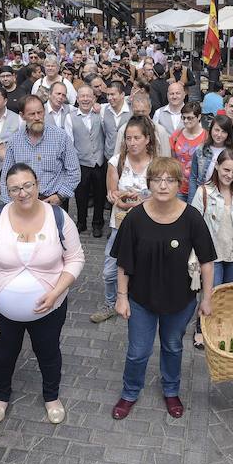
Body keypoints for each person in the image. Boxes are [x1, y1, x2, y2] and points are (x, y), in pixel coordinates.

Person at [0, 164, 85, 425]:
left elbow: (76, 258)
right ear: (6, 191)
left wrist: (57, 292)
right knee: (2, 354)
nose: (22, 193)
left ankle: (51, 397)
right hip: (1, 308)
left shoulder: (58, 217)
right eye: (14, 189)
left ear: (37, 184)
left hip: (50, 307)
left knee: (48, 352)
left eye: (27, 186)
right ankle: (0, 397)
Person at [110, 157, 215, 420]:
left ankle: (171, 390)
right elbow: (124, 262)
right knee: (138, 351)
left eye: (169, 180)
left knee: (173, 347)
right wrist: (121, 297)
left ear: (179, 184)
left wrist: (207, 298)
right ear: (149, 183)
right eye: (157, 179)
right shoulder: (136, 217)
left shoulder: (192, 217)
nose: (163, 185)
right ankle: (130, 392)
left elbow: (207, 261)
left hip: (180, 300)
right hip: (141, 298)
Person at [91, 116, 158, 324]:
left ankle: (140, 304)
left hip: (148, 228)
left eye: (137, 138)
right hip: (120, 225)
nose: (132, 142)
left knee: (145, 269)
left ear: (147, 139)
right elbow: (112, 193)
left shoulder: (156, 165)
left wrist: (138, 200)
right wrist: (119, 197)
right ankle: (111, 304)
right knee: (110, 271)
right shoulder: (117, 161)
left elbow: (160, 197)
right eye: (129, 138)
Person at [190, 148, 233, 349]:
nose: (229, 175)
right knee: (210, 292)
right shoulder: (204, 192)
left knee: (226, 294)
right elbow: (193, 225)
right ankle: (201, 328)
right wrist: (196, 256)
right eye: (226, 170)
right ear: (217, 166)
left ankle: (218, 327)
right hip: (212, 255)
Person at [0, 95, 80, 205]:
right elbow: (6, 176)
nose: (37, 117)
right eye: (32, 114)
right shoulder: (14, 141)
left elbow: (74, 171)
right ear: (22, 116)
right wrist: (9, 204)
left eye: (40, 112)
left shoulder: (61, 137)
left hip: (53, 200)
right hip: (23, 201)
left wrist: (61, 196)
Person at [71, 85, 106, 237]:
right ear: (77, 99)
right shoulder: (70, 117)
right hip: (81, 163)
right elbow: (70, 142)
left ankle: (97, 223)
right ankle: (81, 222)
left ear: (94, 98)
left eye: (88, 96)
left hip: (99, 161)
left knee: (100, 194)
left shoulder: (101, 113)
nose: (85, 99)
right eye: (82, 96)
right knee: (81, 195)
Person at [188, 114, 233, 205]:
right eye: (216, 130)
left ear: (229, 134)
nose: (219, 135)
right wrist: (191, 201)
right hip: (204, 194)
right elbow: (193, 177)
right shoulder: (200, 150)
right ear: (211, 130)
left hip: (226, 195)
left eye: (224, 131)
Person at [170, 101, 208, 203]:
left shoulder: (206, 137)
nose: (186, 121)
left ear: (199, 117)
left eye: (190, 118)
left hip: (198, 187)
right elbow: (171, 160)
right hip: (179, 186)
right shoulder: (176, 136)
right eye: (183, 118)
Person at [113, 91, 170, 158]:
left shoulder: (160, 130)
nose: (140, 114)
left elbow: (166, 158)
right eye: (137, 111)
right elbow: (117, 156)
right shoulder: (123, 130)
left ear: (150, 109)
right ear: (132, 110)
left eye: (143, 111)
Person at [101, 81, 132, 160]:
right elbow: (104, 132)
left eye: (112, 94)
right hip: (109, 157)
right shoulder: (103, 109)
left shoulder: (132, 110)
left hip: (128, 157)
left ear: (122, 95)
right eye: (108, 95)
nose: (109, 98)